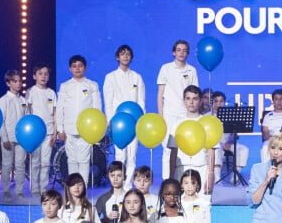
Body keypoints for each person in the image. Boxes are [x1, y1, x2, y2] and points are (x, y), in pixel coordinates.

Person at [103, 45, 146, 189]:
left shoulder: (137, 77)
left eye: (128, 54)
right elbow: (108, 102)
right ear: (117, 57)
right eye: (122, 54)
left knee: (132, 156)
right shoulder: (111, 77)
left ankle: (127, 186)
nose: (125, 56)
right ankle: (117, 186)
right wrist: (110, 120)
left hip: (134, 122)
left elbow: (141, 101)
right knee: (120, 156)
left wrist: (141, 121)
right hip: (119, 123)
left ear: (131, 57)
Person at [56, 54, 102, 186]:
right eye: (74, 66)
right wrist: (60, 129)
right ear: (70, 68)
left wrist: (95, 130)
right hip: (69, 129)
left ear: (85, 68)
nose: (77, 69)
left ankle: (83, 190)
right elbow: (60, 108)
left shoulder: (92, 85)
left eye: (80, 66)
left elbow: (97, 109)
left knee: (84, 159)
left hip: (86, 130)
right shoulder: (65, 86)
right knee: (71, 160)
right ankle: (72, 189)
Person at [156, 40, 199, 179]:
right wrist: (161, 116)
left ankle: (186, 181)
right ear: (174, 52)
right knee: (168, 149)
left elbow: (195, 92)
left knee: (187, 148)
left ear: (188, 53)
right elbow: (160, 94)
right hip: (169, 114)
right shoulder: (166, 68)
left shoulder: (192, 70)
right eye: (179, 50)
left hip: (186, 115)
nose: (181, 52)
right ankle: (167, 181)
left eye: (185, 50)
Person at [167, 86, 215, 195]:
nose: (191, 102)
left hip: (202, 169)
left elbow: (211, 151)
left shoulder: (207, 122)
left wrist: (211, 174)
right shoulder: (177, 124)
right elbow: (173, 152)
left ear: (200, 100)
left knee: (203, 206)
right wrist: (171, 177)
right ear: (184, 101)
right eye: (188, 98)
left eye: (195, 98)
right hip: (181, 170)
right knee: (181, 207)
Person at [25, 64, 57, 196]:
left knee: (45, 163)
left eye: (46, 74)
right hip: (34, 133)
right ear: (34, 76)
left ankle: (44, 188)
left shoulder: (51, 93)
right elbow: (27, 112)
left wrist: (55, 132)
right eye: (40, 73)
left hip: (49, 132)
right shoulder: (30, 92)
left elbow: (55, 114)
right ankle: (34, 188)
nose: (43, 76)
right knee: (35, 162)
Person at [0, 70, 27, 201]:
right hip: (8, 138)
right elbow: (0, 121)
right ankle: (6, 190)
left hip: (21, 138)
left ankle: (20, 191)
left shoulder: (23, 99)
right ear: (8, 83)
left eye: (20, 81)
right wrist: (4, 138)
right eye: (15, 81)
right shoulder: (3, 100)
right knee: (7, 165)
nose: (18, 83)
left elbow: (26, 119)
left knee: (20, 165)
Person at [211, 91, 249, 183]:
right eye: (216, 101)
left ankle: (235, 177)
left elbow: (235, 134)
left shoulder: (230, 115)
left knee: (244, 149)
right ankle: (217, 178)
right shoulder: (207, 117)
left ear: (224, 102)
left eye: (221, 101)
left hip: (228, 143)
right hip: (214, 144)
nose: (219, 104)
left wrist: (229, 142)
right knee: (217, 148)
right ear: (212, 103)